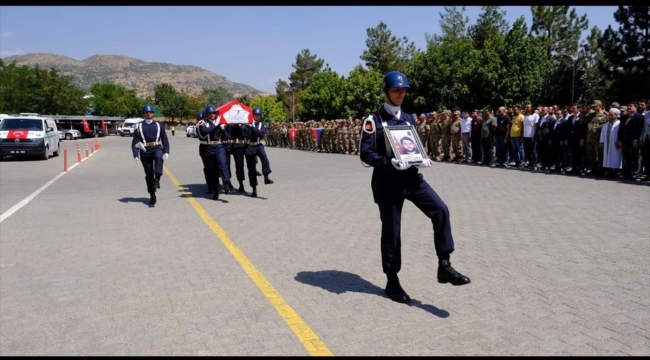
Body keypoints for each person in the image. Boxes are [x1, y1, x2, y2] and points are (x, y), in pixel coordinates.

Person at [359, 71, 470, 305]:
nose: (401, 93)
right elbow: (366, 153)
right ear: (386, 91)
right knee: (392, 232)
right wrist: (388, 163)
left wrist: (421, 158)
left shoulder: (409, 118)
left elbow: (411, 145)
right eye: (396, 90)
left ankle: (444, 264)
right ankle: (392, 280)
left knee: (441, 210)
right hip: (388, 182)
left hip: (411, 178)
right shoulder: (374, 120)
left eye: (404, 90)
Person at [131, 104, 170, 206]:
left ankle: (157, 177)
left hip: (156, 147)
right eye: (147, 112)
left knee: (158, 157)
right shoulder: (138, 126)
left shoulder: (159, 125)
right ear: (144, 113)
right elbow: (135, 142)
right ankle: (152, 194)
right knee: (148, 174)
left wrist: (166, 151)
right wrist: (135, 155)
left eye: (151, 112)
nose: (149, 113)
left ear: (153, 113)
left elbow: (165, 140)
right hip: (144, 150)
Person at [196, 105, 231, 200]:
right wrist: (216, 124)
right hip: (208, 148)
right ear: (207, 115)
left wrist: (223, 129)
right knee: (212, 171)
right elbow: (206, 131)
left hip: (218, 146)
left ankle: (226, 182)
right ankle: (215, 191)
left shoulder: (220, 123)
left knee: (222, 164)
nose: (212, 115)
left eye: (214, 113)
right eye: (210, 113)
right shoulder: (203, 123)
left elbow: (227, 137)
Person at [244, 107, 274, 198]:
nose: (257, 117)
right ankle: (254, 189)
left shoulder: (261, 125)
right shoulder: (247, 125)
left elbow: (261, 135)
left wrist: (253, 127)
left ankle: (266, 177)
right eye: (255, 115)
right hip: (249, 146)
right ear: (252, 115)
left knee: (265, 158)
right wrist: (250, 126)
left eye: (258, 115)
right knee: (251, 169)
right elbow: (247, 135)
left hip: (258, 145)